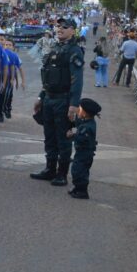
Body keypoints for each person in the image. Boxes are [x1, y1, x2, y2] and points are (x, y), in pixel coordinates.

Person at [30, 17, 85, 187]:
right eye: (58, 26)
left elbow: (77, 80)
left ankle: (62, 174)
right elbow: (47, 77)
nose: (59, 29)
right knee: (49, 137)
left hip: (63, 100)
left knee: (63, 138)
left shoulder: (74, 51)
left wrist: (74, 105)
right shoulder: (54, 48)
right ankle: (49, 169)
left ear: (73, 30)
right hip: (49, 98)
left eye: (64, 26)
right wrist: (41, 97)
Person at [67, 98, 100, 199]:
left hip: (85, 154)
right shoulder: (88, 121)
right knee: (77, 170)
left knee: (79, 171)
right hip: (82, 153)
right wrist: (76, 117)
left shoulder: (87, 127)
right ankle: (77, 188)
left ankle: (82, 192)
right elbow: (79, 123)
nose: (78, 111)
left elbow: (81, 138)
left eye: (80, 110)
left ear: (85, 114)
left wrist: (71, 135)